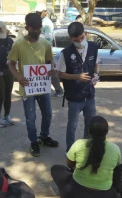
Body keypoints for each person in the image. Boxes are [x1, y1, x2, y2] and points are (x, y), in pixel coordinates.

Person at [7, 13, 59, 157]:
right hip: (27, 88)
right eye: (33, 29)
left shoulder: (45, 44)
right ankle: (33, 142)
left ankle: (44, 137)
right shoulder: (18, 44)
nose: (36, 32)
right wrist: (18, 77)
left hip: (42, 87)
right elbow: (11, 64)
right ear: (26, 27)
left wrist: (51, 69)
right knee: (31, 118)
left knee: (48, 114)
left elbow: (49, 61)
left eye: (39, 29)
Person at [51, 116, 120, 198]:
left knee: (56, 169)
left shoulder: (79, 144)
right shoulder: (115, 149)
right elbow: (116, 168)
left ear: (89, 131)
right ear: (107, 131)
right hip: (105, 194)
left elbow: (70, 165)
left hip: (77, 192)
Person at [56, 22, 99, 152]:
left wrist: (96, 74)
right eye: (76, 39)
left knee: (90, 124)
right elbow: (60, 74)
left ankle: (87, 150)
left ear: (85, 34)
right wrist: (77, 77)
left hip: (89, 95)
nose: (80, 41)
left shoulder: (93, 47)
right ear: (70, 39)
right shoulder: (66, 53)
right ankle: (70, 151)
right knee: (72, 125)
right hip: (74, 97)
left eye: (82, 37)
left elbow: (96, 63)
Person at [35, 3, 64, 98]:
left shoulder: (46, 23)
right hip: (38, 51)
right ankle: (40, 89)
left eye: (40, 12)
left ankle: (59, 90)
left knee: (51, 71)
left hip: (45, 51)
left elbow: (48, 40)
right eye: (37, 12)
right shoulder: (39, 22)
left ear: (45, 12)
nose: (38, 14)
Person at [0, 21, 14, 127]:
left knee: (8, 93)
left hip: (8, 70)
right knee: (1, 94)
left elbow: (14, 55)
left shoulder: (9, 41)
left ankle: (7, 115)